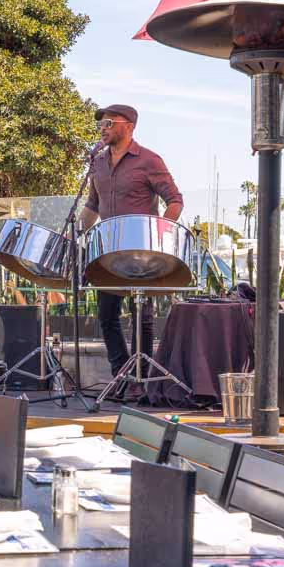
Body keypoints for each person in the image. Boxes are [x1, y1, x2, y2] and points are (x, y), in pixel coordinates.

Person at [79, 104, 183, 401]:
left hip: (140, 252)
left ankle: (141, 381)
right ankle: (121, 376)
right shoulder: (97, 162)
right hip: (108, 253)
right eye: (101, 122)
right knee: (107, 315)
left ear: (129, 126)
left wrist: (160, 235)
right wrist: (77, 232)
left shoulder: (148, 160)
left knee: (142, 317)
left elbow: (174, 200)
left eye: (109, 122)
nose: (103, 127)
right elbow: (92, 205)